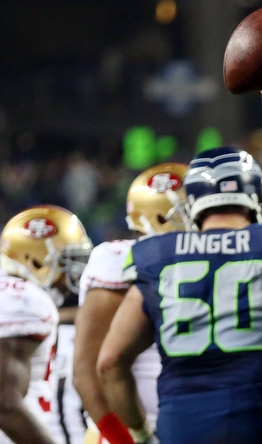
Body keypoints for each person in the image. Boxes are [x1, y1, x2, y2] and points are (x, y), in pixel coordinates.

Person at [96, 148, 262, 444]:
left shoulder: (155, 254)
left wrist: (141, 434)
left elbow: (109, 364)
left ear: (193, 203)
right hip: (259, 415)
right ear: (254, 196)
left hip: (180, 422)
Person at [73, 163, 191, 444]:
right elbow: (88, 373)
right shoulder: (120, 259)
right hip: (135, 430)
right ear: (161, 217)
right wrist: (128, 439)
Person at [0, 205, 94, 444]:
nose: (72, 276)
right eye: (66, 263)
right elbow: (5, 404)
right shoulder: (24, 300)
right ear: (36, 261)